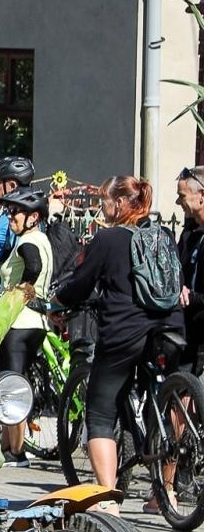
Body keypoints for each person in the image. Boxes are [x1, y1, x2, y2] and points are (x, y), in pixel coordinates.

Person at [55, 176, 183, 510]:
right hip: (170, 326)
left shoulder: (108, 239)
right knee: (163, 401)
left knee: (99, 411)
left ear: (121, 204)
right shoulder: (163, 236)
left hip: (125, 332)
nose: (102, 209)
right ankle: (167, 490)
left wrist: (57, 301)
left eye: (105, 202)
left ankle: (107, 497)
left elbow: (82, 283)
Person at [0, 184, 55, 465]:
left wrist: (21, 290)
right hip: (36, 322)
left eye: (16, 211)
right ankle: (8, 445)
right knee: (16, 380)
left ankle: (16, 452)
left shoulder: (28, 242)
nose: (11, 216)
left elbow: (34, 265)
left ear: (34, 217)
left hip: (19, 322)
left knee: (12, 385)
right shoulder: (41, 239)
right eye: (9, 211)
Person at [0, 156, 33, 304]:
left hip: (2, 303)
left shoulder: (18, 218)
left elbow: (23, 260)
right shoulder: (7, 214)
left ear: (12, 185)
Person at [176, 168, 204, 372]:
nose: (178, 202)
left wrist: (191, 297)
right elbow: (177, 268)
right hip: (187, 329)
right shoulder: (190, 233)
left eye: (182, 196)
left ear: (201, 195)